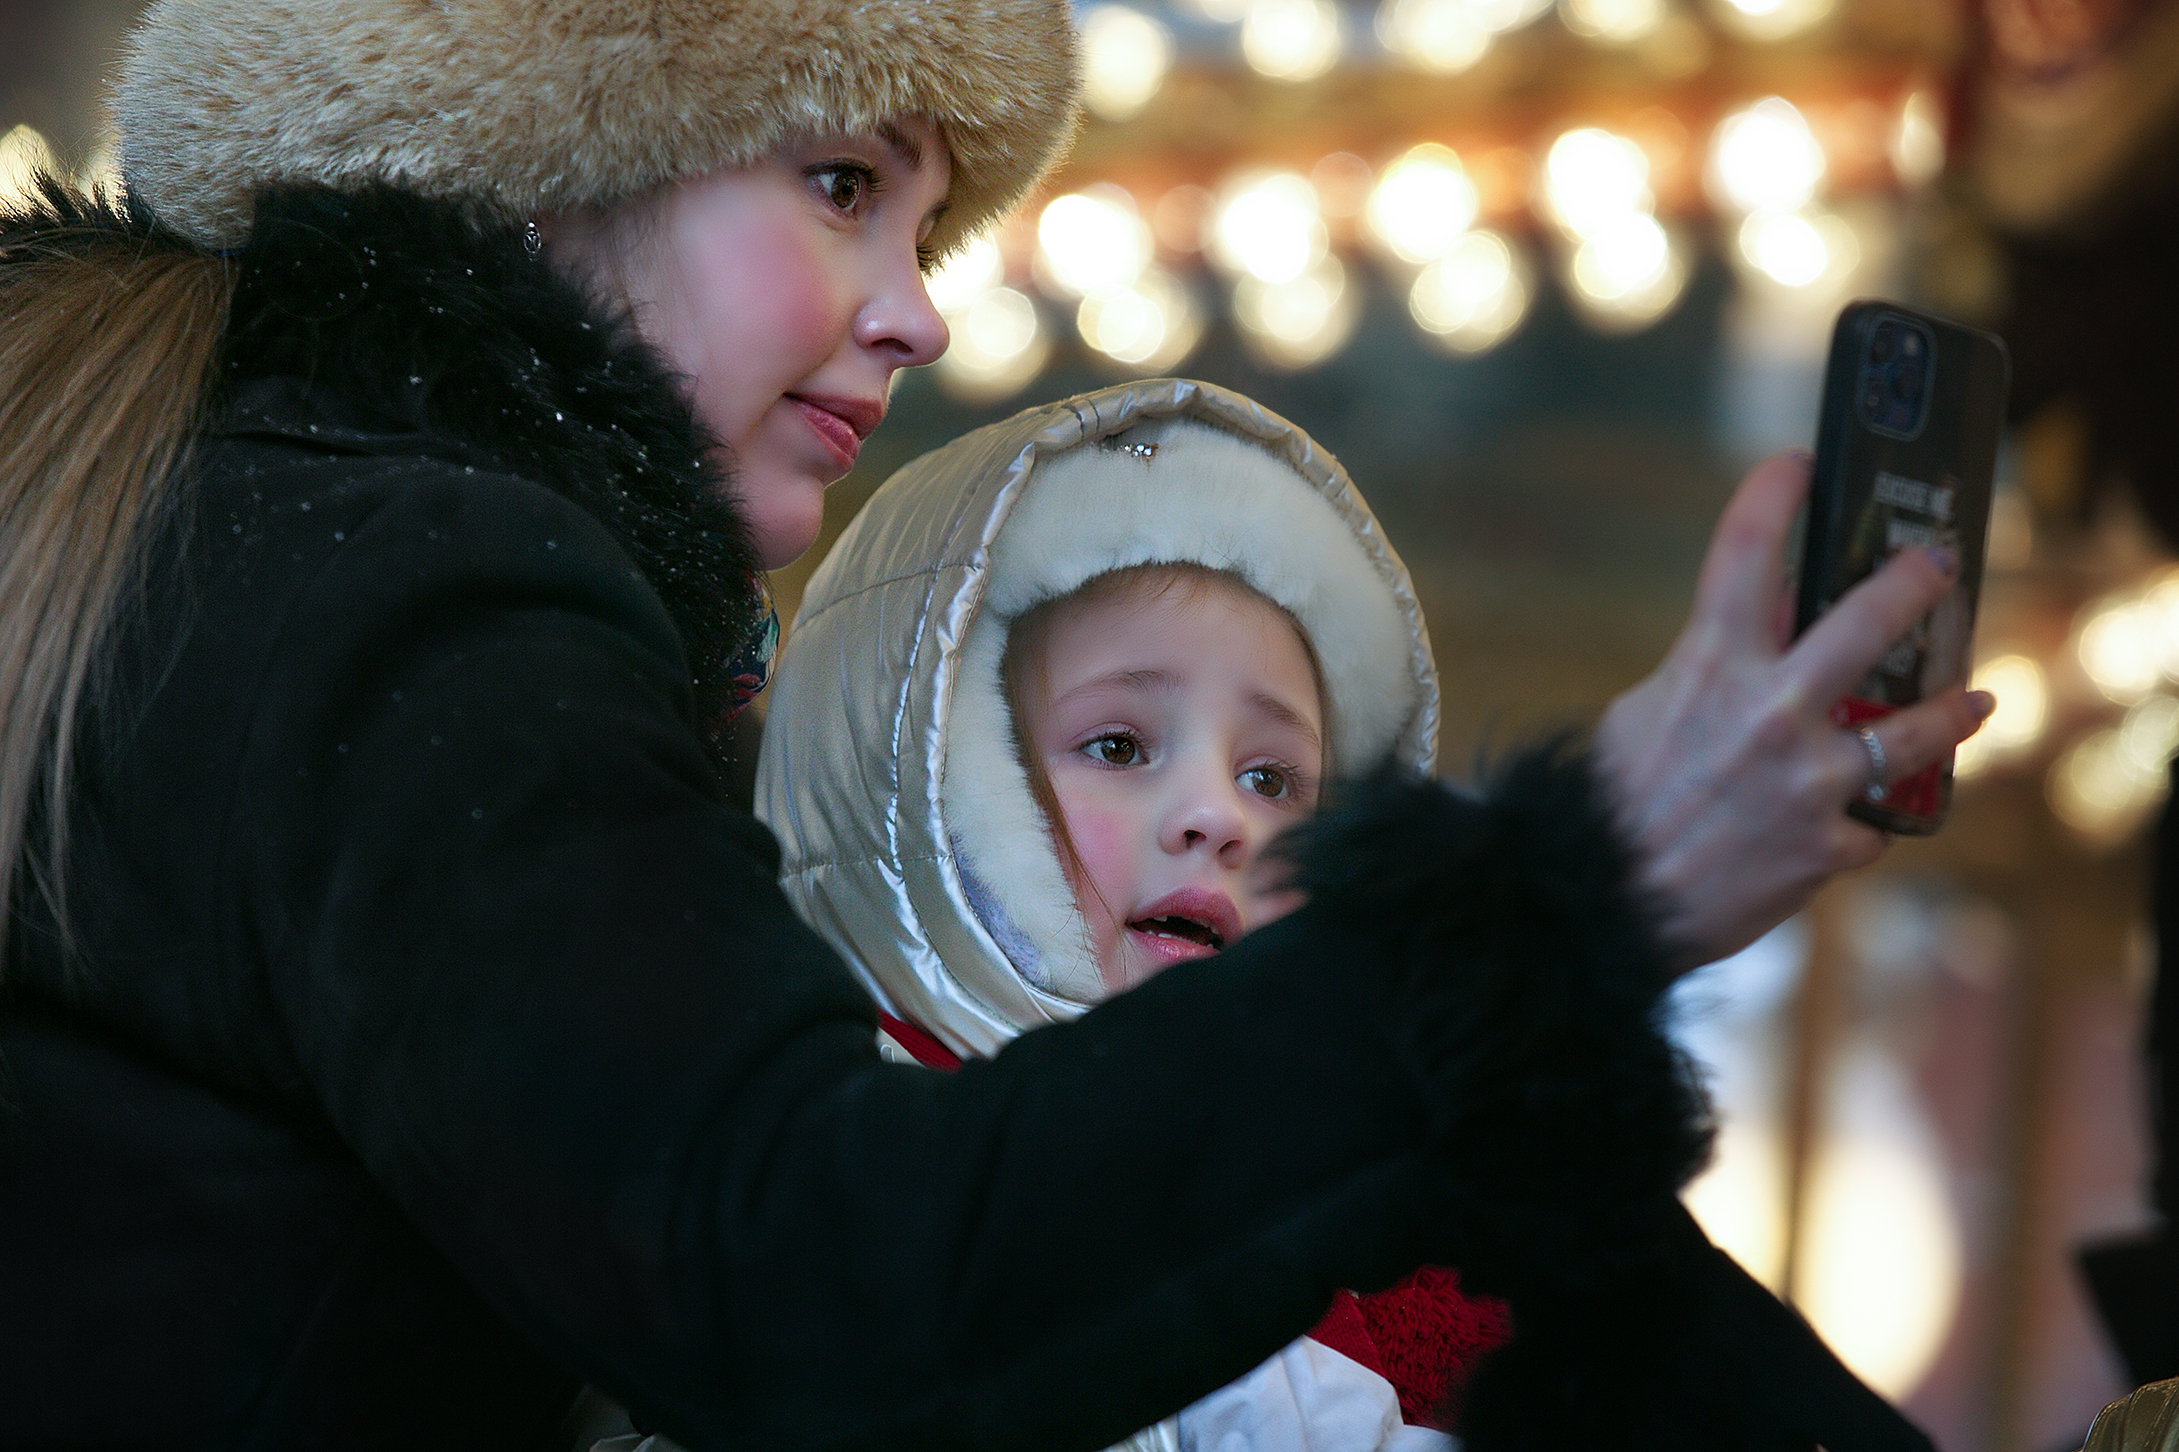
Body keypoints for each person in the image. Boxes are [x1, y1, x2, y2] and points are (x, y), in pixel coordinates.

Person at [0, 1, 1990, 1448]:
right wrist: (1581, 890)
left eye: (919, 226)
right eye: (844, 186)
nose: (917, 310)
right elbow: (814, 1297)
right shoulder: (415, 590)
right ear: (536, 158)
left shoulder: (254, 526)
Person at [755, 384, 1508, 1451]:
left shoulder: (1398, 1205)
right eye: (1118, 746)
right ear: (938, 793)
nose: (1215, 817)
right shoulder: (856, 1184)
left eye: (1275, 778)